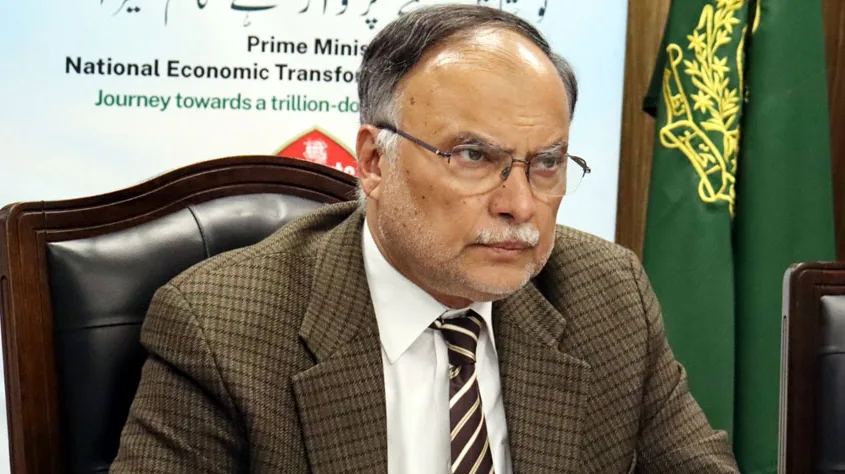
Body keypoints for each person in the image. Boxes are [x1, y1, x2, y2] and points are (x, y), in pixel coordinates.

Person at [110, 4, 740, 473]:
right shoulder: (222, 328)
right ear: (373, 162)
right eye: (473, 156)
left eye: (547, 163)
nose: (520, 204)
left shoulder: (607, 295)